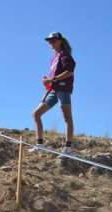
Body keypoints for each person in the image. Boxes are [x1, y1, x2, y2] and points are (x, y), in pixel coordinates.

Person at [29, 31, 76, 159]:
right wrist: (46, 93)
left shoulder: (65, 55)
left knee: (67, 117)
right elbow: (52, 80)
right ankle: (40, 146)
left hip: (63, 89)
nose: (51, 43)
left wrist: (52, 79)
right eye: (50, 41)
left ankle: (68, 148)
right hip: (54, 91)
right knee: (36, 114)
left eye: (53, 41)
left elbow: (69, 72)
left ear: (60, 41)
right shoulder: (53, 59)